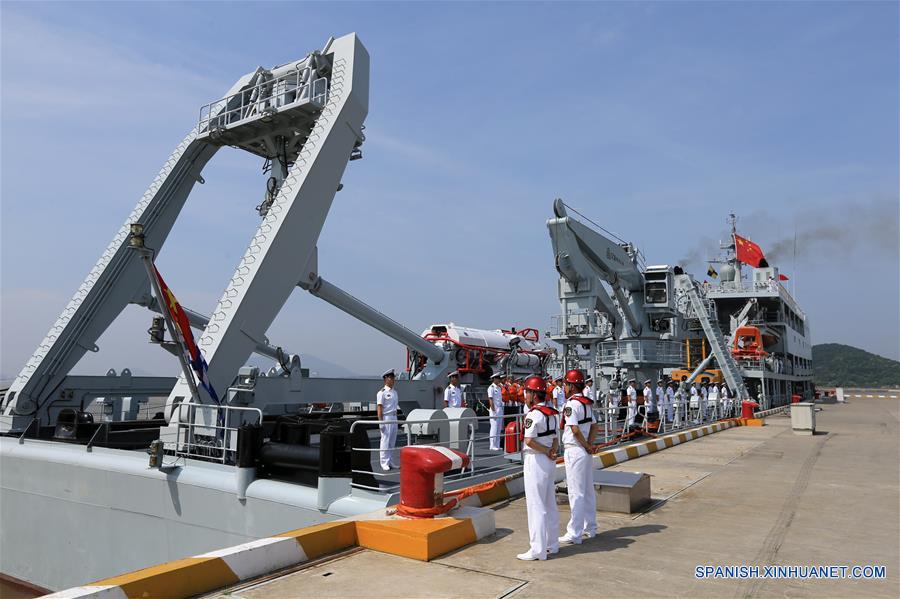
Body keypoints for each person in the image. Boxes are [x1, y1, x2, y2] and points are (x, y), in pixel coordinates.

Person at [517, 375, 560, 561]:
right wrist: (551, 452)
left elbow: (529, 441)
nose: (525, 395)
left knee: (536, 505)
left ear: (534, 394)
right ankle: (552, 544)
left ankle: (537, 549)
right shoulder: (553, 413)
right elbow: (556, 438)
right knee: (549, 502)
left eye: (527, 392)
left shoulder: (534, 414)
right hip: (549, 462)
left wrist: (545, 451)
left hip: (536, 460)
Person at [558, 369, 598, 545]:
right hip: (584, 452)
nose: (564, 387)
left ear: (571, 386)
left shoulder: (571, 405)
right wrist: (589, 445)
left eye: (566, 384)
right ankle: (591, 527)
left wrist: (586, 445)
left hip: (575, 450)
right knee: (588, 491)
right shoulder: (586, 403)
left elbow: (574, 429)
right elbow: (595, 426)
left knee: (576, 492)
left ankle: (574, 533)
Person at [376, 369, 399, 471]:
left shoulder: (394, 392)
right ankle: (384, 462)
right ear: (386, 379)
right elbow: (379, 408)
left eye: (393, 378)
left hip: (394, 417)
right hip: (386, 417)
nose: (393, 379)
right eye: (391, 377)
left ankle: (390, 461)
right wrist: (381, 422)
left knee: (392, 441)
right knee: (385, 440)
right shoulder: (382, 393)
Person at [487, 372, 505, 451]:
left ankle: (497, 445)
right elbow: (491, 400)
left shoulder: (499, 388)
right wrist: (493, 411)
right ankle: (492, 445)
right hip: (494, 410)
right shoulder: (491, 388)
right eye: (498, 378)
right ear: (494, 379)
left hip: (500, 409)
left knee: (498, 428)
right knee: (494, 428)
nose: (499, 380)